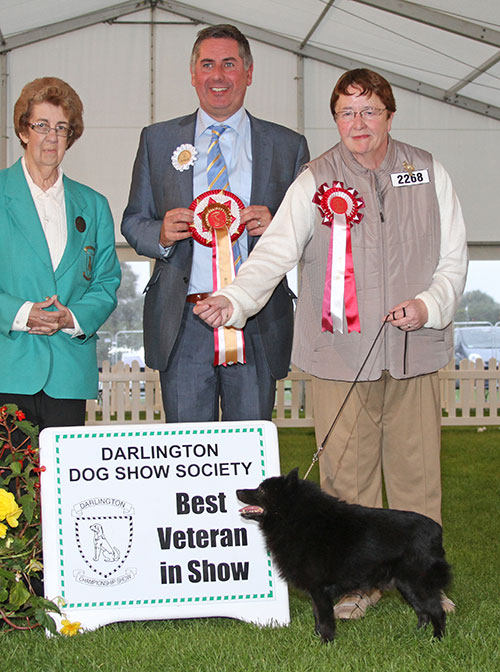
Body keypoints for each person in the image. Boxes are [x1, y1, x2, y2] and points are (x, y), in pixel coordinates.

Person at [194, 68, 468, 617]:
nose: (357, 122)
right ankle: (358, 585)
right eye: (346, 111)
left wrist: (428, 305)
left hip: (414, 346)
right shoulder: (315, 179)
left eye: (369, 110)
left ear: (390, 114)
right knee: (348, 475)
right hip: (338, 353)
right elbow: (273, 254)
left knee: (417, 475)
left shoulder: (428, 171)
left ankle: (424, 580)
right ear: (335, 119)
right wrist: (235, 299)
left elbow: (453, 259)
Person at [121, 24, 309, 422]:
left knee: (251, 459)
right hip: (182, 323)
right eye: (207, 64)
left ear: (249, 72)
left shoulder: (288, 146)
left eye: (229, 64)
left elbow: (309, 232)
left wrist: (277, 225)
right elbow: (133, 221)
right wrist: (161, 234)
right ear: (193, 74)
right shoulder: (157, 140)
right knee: (189, 457)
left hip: (257, 320)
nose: (218, 76)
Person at [0, 77, 121, 431]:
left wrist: (72, 318)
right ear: (23, 131)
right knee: (10, 486)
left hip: (69, 374)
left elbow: (106, 281)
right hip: (9, 367)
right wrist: (23, 313)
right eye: (41, 126)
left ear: (71, 136)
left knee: (64, 486)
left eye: (62, 128)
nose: (51, 137)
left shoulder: (94, 204)